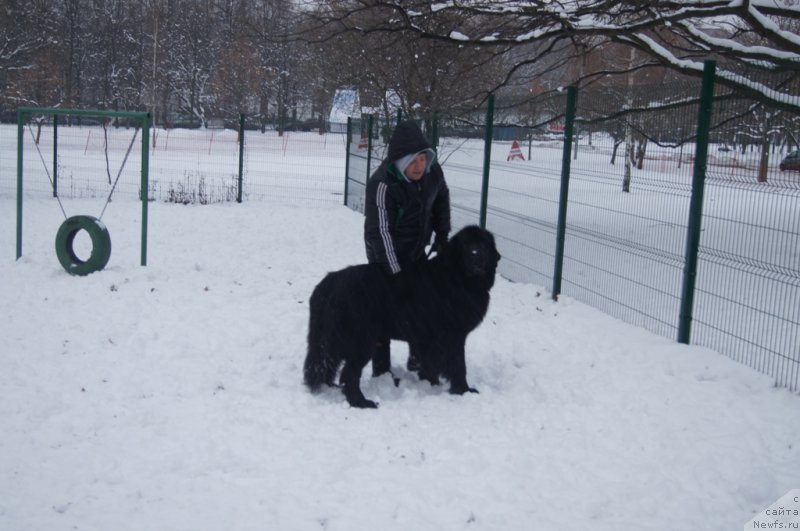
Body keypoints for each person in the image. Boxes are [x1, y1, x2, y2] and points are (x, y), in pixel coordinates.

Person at [364, 120, 451, 377]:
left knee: (423, 304)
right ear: (401, 161)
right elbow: (380, 233)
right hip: (383, 253)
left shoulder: (433, 173)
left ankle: (419, 357)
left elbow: (441, 199)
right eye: (413, 162)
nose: (419, 166)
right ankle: (381, 369)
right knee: (384, 307)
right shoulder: (382, 184)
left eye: (423, 159)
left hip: (416, 249)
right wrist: (395, 273)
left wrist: (442, 235)